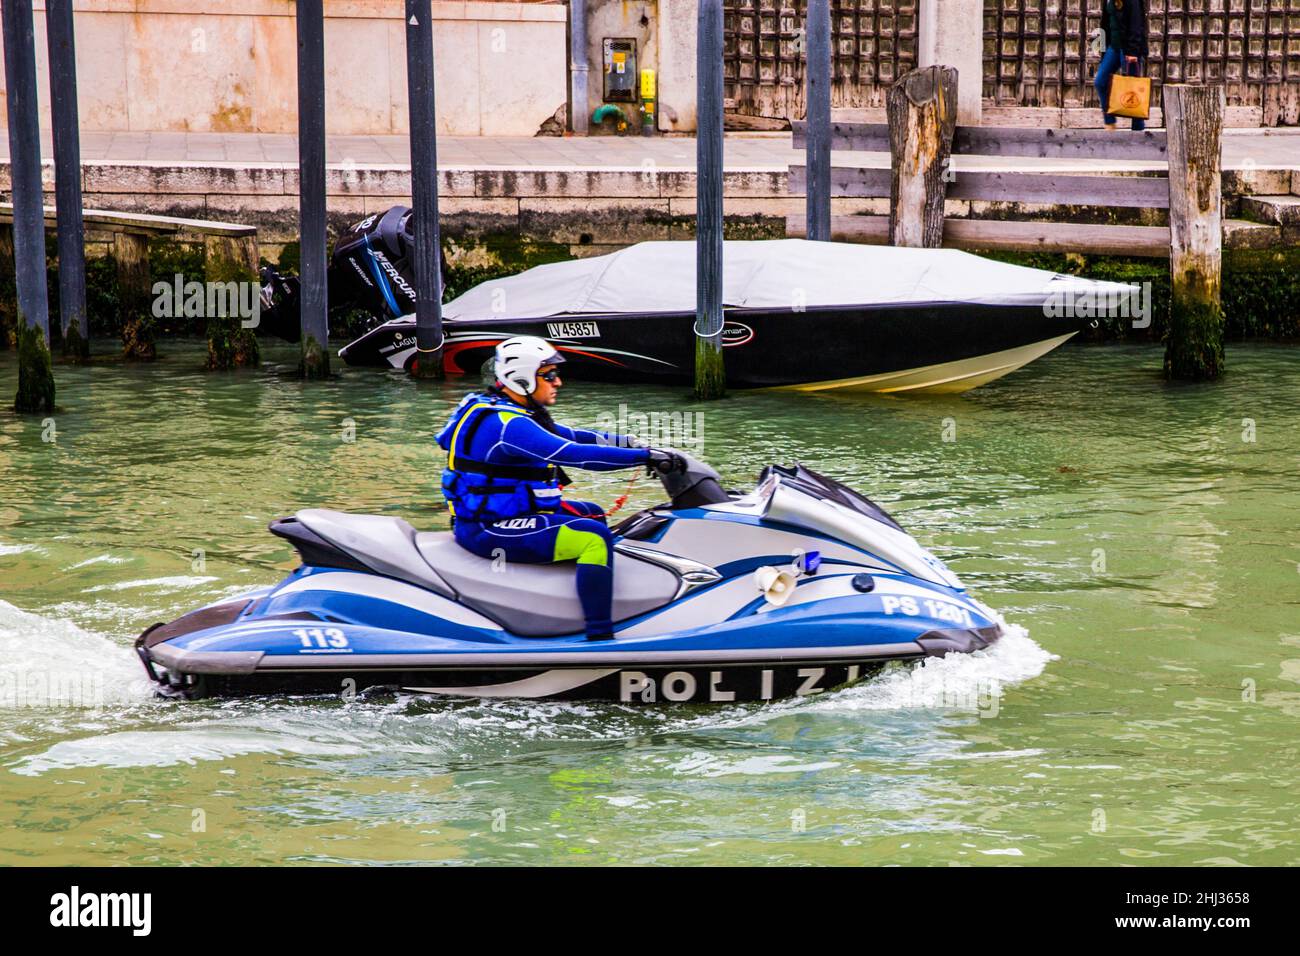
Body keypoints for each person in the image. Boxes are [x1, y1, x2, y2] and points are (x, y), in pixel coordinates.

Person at [437, 336, 683, 641]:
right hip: (489, 530)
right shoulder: (508, 425)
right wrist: (644, 458)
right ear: (523, 378)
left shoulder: (504, 409)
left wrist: (631, 443)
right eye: (550, 375)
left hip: (499, 518)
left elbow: (576, 436)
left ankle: (572, 599)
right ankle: (599, 636)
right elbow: (574, 454)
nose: (559, 382)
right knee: (593, 538)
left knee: (591, 515)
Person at [1095, 0, 1149, 132]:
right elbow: (1105, 25)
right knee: (1100, 82)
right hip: (1113, 48)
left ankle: (1138, 130)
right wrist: (1102, 48)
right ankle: (1110, 122)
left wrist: (1133, 51)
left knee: (1133, 91)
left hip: (1128, 50)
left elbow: (1136, 25)